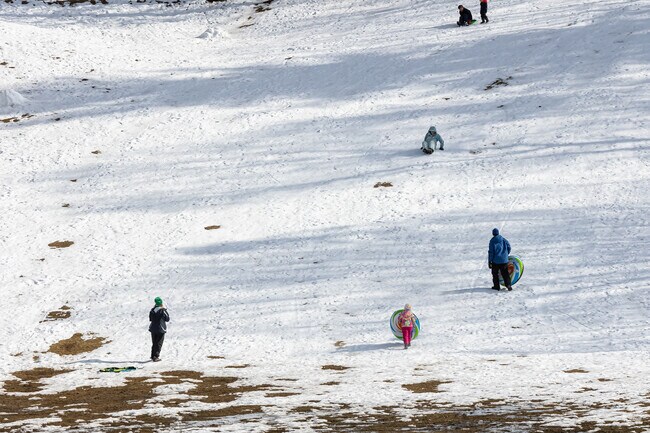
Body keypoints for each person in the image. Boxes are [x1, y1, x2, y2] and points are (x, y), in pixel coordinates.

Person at [149, 297, 170, 362]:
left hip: (153, 328)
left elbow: (150, 319)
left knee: (154, 342)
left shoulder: (152, 310)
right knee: (159, 343)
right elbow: (167, 319)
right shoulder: (163, 310)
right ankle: (156, 356)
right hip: (161, 329)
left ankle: (152, 356)